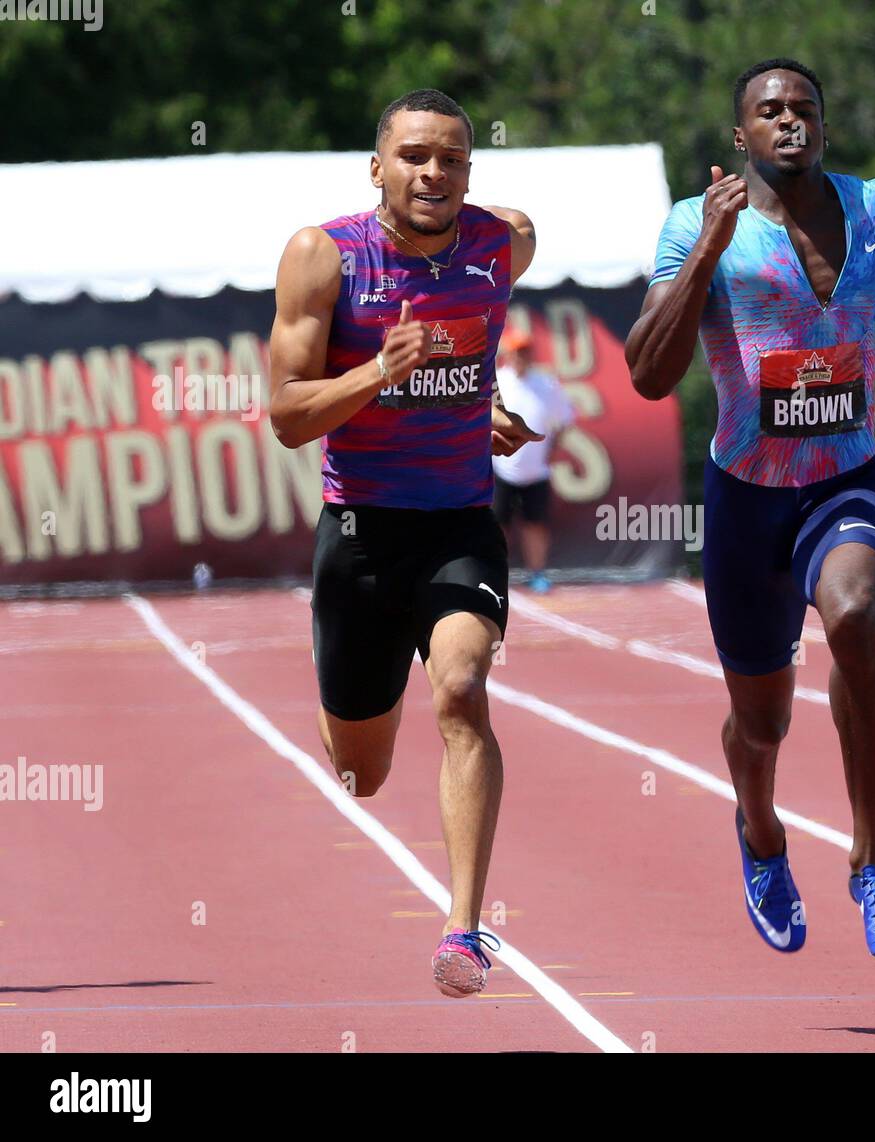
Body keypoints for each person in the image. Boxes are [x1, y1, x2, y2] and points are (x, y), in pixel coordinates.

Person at [625, 58, 875, 960]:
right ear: (741, 138)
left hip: (844, 481)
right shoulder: (695, 227)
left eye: (804, 108)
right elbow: (648, 375)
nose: (789, 121)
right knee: (761, 724)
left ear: (825, 128)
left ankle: (872, 863)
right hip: (745, 501)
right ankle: (760, 835)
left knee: (853, 610)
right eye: (770, 111)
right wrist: (708, 257)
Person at [268, 88, 542, 998]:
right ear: (377, 165)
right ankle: (341, 713)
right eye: (417, 156)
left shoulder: (506, 243)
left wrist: (485, 405)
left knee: (462, 689)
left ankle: (465, 931)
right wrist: (377, 372)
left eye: (454, 159)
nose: (436, 174)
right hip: (359, 534)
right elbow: (286, 415)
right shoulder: (324, 255)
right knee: (362, 772)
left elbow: (471, 357)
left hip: (459, 521)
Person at [491, 329, 577, 593]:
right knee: (496, 525)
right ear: (508, 354)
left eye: (525, 350)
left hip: (536, 470)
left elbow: (564, 419)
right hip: (500, 468)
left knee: (535, 524)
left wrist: (552, 450)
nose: (521, 356)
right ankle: (496, 573)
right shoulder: (498, 380)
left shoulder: (546, 383)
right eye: (517, 351)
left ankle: (537, 573)